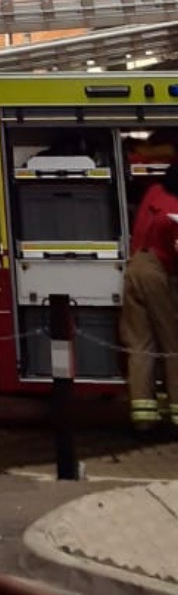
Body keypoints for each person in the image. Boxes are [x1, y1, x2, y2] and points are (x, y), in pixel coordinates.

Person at [120, 161, 178, 433]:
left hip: (134, 268)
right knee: (172, 344)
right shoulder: (175, 211)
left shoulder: (153, 192)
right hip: (157, 272)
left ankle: (144, 416)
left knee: (140, 345)